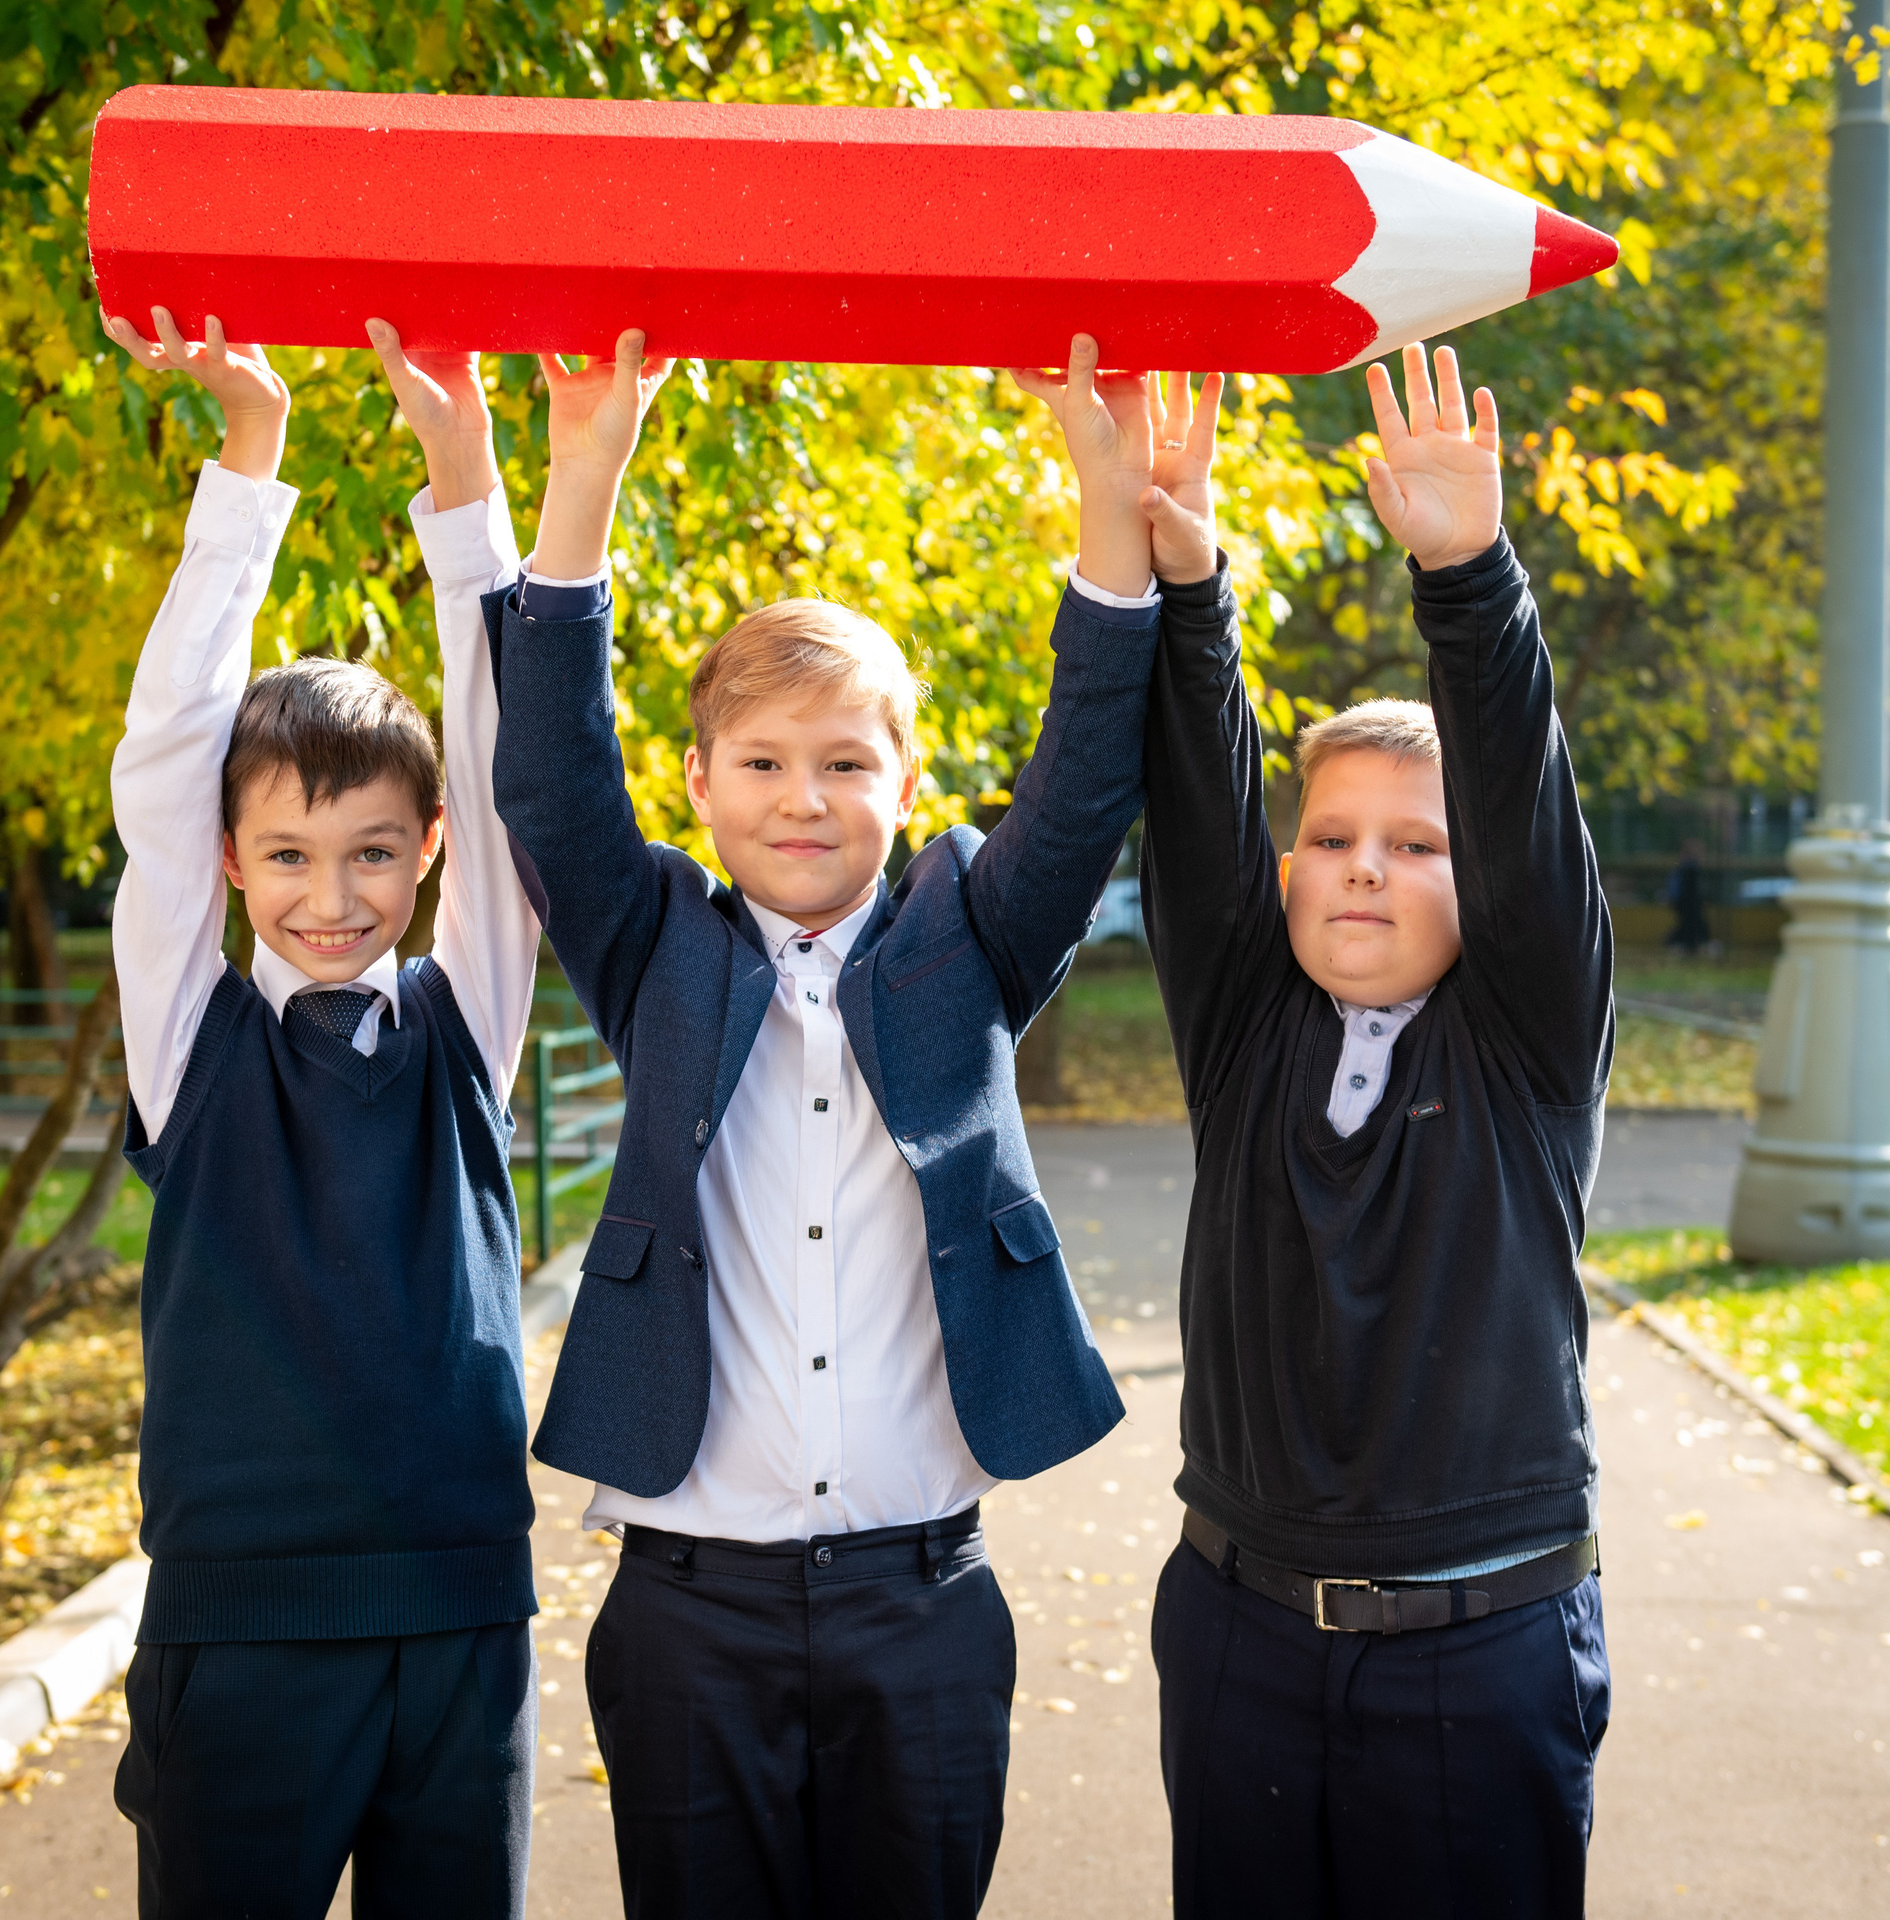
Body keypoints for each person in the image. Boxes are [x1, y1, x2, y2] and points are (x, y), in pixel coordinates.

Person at [456, 327, 1168, 1917]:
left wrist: (1106, 501)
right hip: (686, 1610)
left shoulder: (972, 941)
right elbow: (551, 784)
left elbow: (1082, 790)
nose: (803, 796)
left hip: (923, 1603)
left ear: (907, 782)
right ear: (698, 784)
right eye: (764, 762)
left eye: (847, 761)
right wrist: (587, 472)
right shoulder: (652, 947)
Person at [1138, 342, 1614, 1916]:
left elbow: (1524, 813)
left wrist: (1468, 576)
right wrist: (1190, 585)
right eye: (1332, 836)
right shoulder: (1245, 1028)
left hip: (1481, 1652)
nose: (1361, 865)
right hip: (1239, 1634)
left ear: (1482, 890)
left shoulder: (1527, 1043)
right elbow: (1196, 814)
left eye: (1417, 846)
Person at [100, 304, 544, 1918]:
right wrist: (253, 451)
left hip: (461, 1620)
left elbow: (506, 765)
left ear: (428, 850)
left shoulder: (464, 1023)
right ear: (230, 863)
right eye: (287, 856)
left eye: (372, 854)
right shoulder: (190, 1040)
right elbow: (167, 756)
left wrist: (464, 480)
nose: (333, 896)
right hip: (239, 1629)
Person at [1666, 836, 1713, 955]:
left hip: (1689, 902)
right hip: (1686, 901)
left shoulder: (1688, 868)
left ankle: (1690, 945)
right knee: (1689, 924)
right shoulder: (1685, 869)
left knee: (1692, 924)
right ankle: (1685, 945)